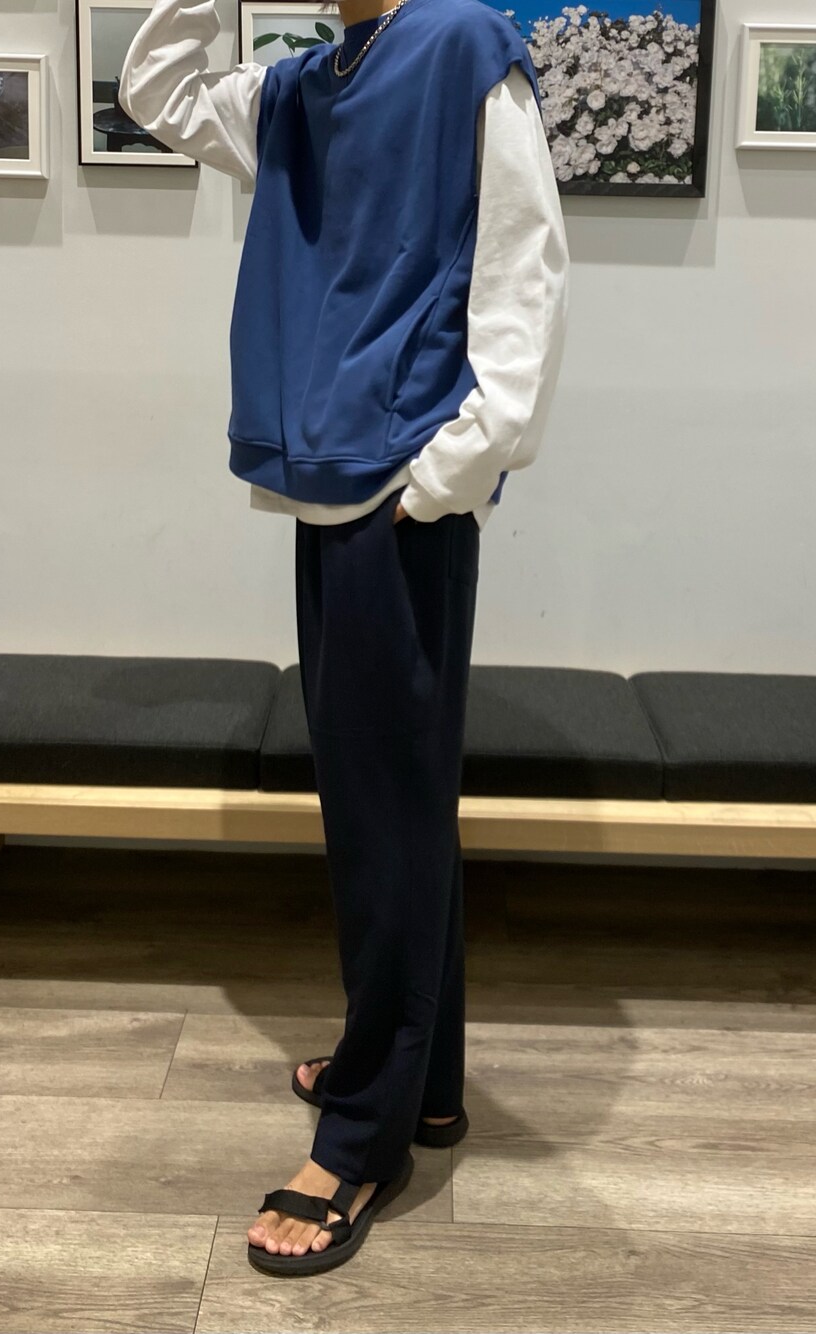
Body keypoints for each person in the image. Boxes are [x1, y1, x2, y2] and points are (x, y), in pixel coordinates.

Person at [118, 0, 569, 1277]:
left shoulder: (461, 44)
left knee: (381, 817)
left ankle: (362, 1131)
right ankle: (424, 1080)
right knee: (394, 802)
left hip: (399, 486)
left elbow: (525, 264)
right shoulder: (304, 85)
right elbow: (155, 91)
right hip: (338, 481)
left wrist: (452, 471)